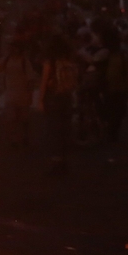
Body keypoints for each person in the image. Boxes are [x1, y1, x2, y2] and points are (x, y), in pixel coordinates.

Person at [38, 34, 78, 174]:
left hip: (53, 97)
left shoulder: (50, 62)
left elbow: (44, 81)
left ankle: (56, 160)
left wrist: (40, 100)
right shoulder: (68, 60)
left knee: (53, 129)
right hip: (66, 96)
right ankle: (64, 159)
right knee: (65, 128)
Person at [0, 39, 36, 149]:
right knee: (11, 118)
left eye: (13, 47)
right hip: (10, 93)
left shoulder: (24, 61)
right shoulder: (7, 60)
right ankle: (14, 139)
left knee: (24, 119)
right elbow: (0, 71)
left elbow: (30, 79)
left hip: (22, 93)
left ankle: (25, 137)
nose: (11, 49)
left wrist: (30, 94)